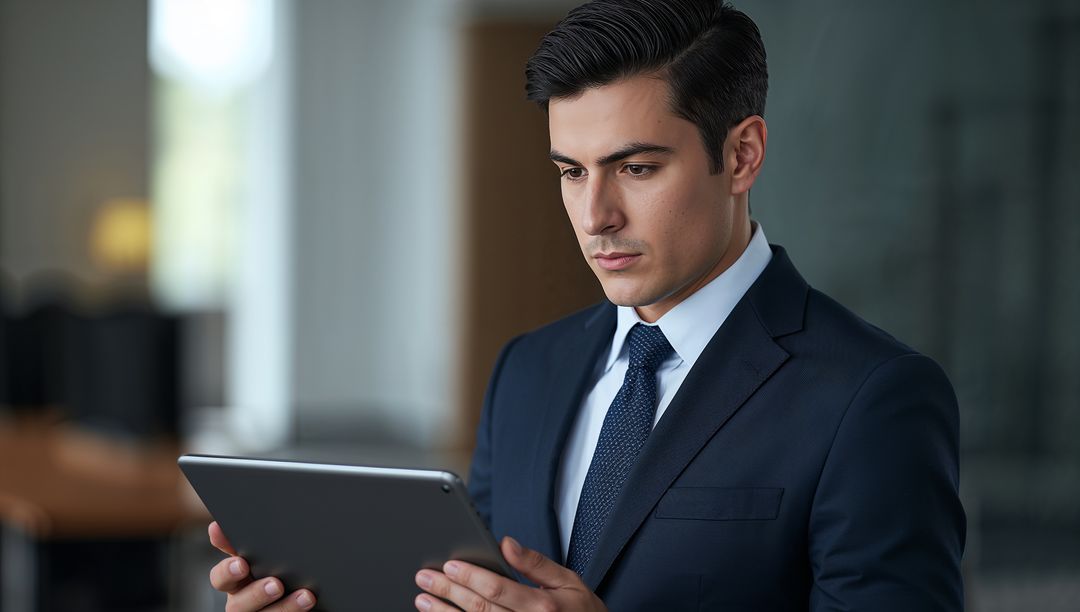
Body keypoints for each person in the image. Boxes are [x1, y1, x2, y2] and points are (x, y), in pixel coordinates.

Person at [208, 1, 966, 610]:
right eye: (571, 172)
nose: (595, 214)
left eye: (635, 168)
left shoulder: (872, 397)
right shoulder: (528, 370)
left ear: (741, 155)